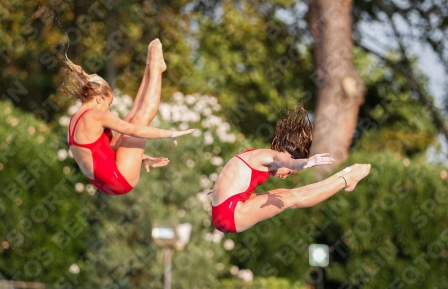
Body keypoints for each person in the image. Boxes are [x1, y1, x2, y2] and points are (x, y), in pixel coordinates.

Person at [210, 106, 371, 233]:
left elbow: (233, 173)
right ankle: (345, 181)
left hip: (225, 209)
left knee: (280, 193)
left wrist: (220, 188)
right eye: (289, 172)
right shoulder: (273, 157)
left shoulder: (256, 155)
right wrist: (304, 163)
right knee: (290, 197)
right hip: (230, 214)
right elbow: (286, 161)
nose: (285, 176)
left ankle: (340, 177)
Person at [62, 39, 193, 195]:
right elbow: (135, 131)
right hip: (119, 179)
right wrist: (169, 133)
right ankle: (156, 69)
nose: (107, 109)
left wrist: (140, 158)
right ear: (98, 98)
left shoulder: (74, 121)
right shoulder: (95, 116)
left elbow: (101, 154)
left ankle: (150, 65)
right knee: (139, 119)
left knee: (130, 118)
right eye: (108, 104)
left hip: (110, 182)